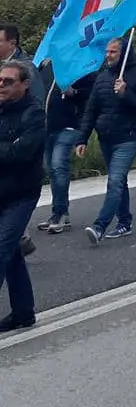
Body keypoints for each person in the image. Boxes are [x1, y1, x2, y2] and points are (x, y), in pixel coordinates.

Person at [75, 37, 136, 243]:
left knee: (115, 181)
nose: (108, 56)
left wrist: (126, 93)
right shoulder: (102, 78)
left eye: (113, 52)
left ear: (124, 54)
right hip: (106, 138)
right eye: (107, 52)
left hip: (128, 137)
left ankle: (99, 226)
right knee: (119, 182)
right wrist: (82, 138)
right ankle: (124, 222)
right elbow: (91, 110)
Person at [0, 59, 46, 330]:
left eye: (8, 81)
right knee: (13, 253)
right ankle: (23, 312)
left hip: (21, 194)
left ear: (25, 84)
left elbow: (23, 152)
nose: (2, 86)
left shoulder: (35, 114)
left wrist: (8, 149)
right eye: (0, 81)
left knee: (1, 250)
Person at [35, 66, 95, 233]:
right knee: (51, 170)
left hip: (70, 126)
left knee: (58, 166)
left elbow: (92, 94)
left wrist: (73, 93)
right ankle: (60, 213)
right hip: (47, 127)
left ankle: (60, 213)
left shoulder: (80, 66)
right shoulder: (45, 67)